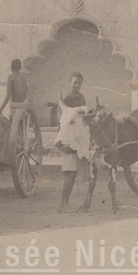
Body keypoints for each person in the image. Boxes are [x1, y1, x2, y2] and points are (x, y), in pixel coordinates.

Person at [57, 72, 88, 212]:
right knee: (70, 172)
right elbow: (63, 120)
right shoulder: (68, 98)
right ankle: (63, 204)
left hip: (79, 139)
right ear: (70, 82)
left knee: (75, 171)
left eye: (79, 83)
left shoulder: (81, 97)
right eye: (74, 82)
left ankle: (71, 203)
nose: (77, 85)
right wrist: (64, 141)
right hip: (68, 140)